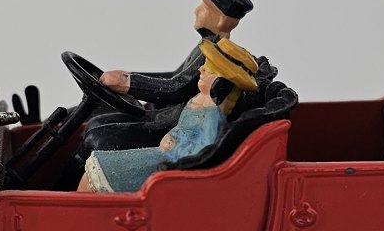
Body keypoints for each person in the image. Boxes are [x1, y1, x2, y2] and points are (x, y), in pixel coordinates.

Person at [74, 0, 255, 168]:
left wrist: (127, 82)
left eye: (204, 8)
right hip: (167, 115)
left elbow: (175, 89)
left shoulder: (215, 55)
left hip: (176, 126)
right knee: (96, 122)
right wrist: (129, 75)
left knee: (97, 137)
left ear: (220, 20)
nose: (196, 11)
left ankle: (72, 182)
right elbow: (174, 76)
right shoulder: (206, 46)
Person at [78, 40, 259, 193]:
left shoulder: (213, 117)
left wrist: (174, 145)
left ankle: (79, 211)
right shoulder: (197, 100)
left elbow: (201, 153)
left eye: (209, 69)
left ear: (221, 84)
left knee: (98, 168)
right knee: (94, 167)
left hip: (167, 162)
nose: (201, 69)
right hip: (160, 154)